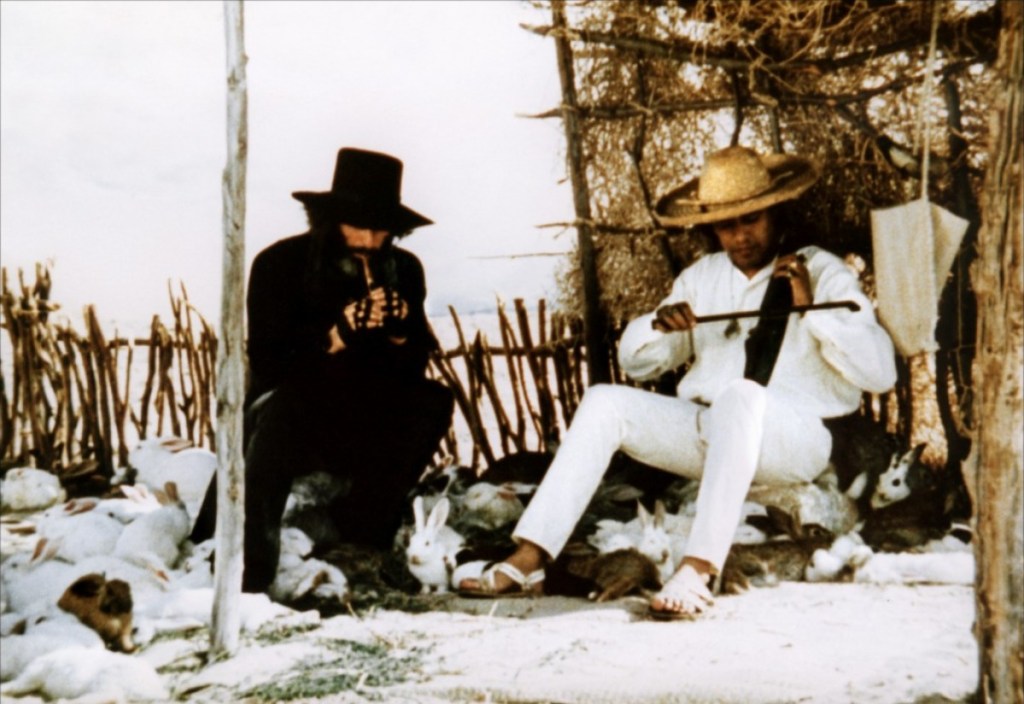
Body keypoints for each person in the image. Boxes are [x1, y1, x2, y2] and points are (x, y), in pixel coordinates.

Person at [458, 145, 897, 619]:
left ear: (775, 212)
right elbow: (638, 363)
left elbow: (879, 372)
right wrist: (659, 325)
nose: (739, 235)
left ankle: (697, 569)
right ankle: (530, 558)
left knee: (741, 396)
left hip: (795, 439)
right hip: (712, 432)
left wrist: (810, 309)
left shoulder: (822, 270)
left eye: (751, 220)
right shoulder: (702, 278)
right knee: (606, 402)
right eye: (726, 225)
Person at [191, 147, 454, 593]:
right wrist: (337, 335)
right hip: (287, 413)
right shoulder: (278, 265)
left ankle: (361, 538)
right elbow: (270, 363)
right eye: (358, 225)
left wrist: (400, 334)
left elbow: (412, 369)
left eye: (381, 228)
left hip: (362, 415)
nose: (369, 240)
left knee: (433, 400)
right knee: (291, 403)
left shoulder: (405, 270)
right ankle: (248, 573)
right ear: (329, 220)